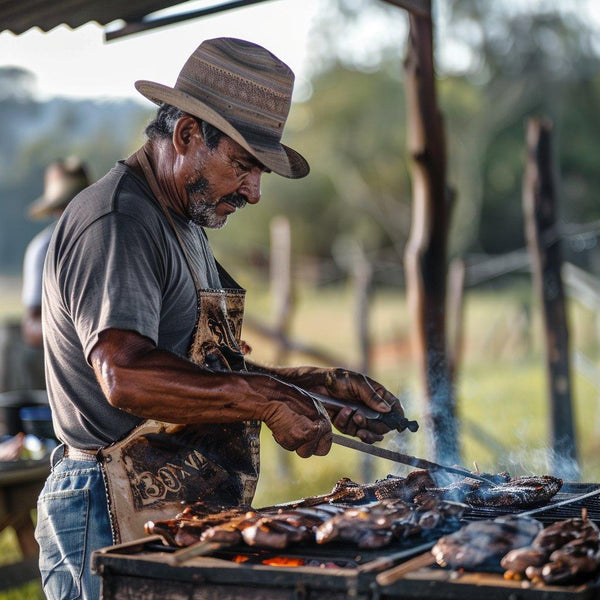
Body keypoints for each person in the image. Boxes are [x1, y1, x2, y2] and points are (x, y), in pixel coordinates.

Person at [35, 38, 409, 600]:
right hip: (105, 504)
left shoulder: (182, 221)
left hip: (169, 503)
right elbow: (126, 374)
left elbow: (202, 365)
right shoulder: (121, 220)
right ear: (186, 135)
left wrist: (311, 388)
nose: (255, 192)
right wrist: (265, 401)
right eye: (243, 166)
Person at [21, 157, 90, 347]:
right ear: (55, 210)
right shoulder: (43, 250)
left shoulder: (109, 242)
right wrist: (75, 330)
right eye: (65, 204)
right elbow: (31, 326)